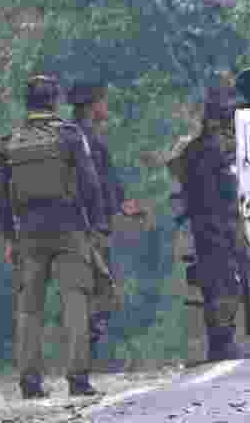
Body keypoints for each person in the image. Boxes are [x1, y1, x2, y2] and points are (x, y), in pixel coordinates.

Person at [0, 74, 109, 398]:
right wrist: (98, 225)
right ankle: (78, 379)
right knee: (74, 301)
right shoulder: (70, 136)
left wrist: (9, 237)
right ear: (55, 101)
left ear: (27, 102)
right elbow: (90, 183)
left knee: (29, 308)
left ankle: (30, 383)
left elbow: (1, 196)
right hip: (69, 229)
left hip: (29, 234)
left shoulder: (9, 142)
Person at [178, 83, 250, 362]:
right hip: (219, 228)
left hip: (227, 225)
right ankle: (226, 343)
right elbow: (208, 197)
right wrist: (220, 230)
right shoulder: (207, 152)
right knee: (228, 286)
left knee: (244, 285)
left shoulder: (211, 149)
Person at [67, 81, 147, 363]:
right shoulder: (88, 141)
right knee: (100, 292)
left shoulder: (68, 136)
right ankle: (85, 360)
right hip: (91, 228)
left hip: (69, 225)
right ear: (92, 106)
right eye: (103, 102)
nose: (106, 108)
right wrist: (119, 207)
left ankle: (86, 358)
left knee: (84, 292)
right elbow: (98, 185)